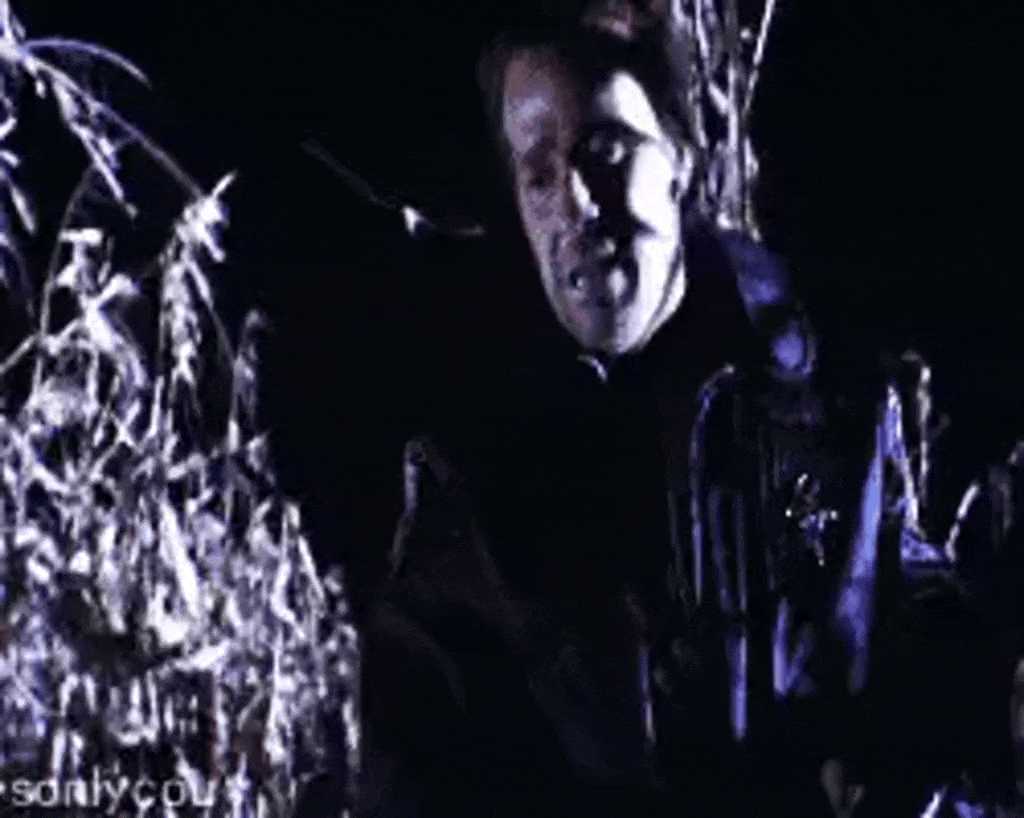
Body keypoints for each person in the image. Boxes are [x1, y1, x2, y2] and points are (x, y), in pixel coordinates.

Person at [353, 3, 1016, 816]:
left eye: (606, 153)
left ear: (681, 160)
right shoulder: (473, 476)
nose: (577, 205)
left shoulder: (820, 389)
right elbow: (414, 764)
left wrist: (937, 721)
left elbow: (900, 599)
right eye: (539, 175)